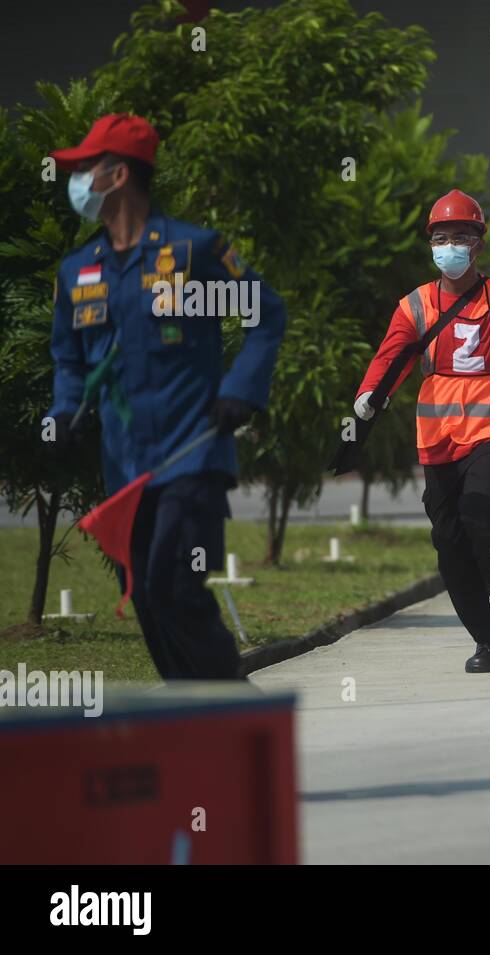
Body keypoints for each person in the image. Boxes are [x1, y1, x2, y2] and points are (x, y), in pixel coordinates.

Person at [47, 113, 286, 680]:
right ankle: (195, 722)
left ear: (119, 173)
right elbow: (69, 359)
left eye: (86, 167)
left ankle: (233, 715)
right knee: (149, 599)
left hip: (192, 455)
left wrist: (239, 391)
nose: (77, 179)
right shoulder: (80, 269)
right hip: (124, 470)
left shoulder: (192, 250)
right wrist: (64, 412)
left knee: (174, 584)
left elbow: (265, 312)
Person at [353, 189, 490, 673]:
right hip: (439, 435)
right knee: (448, 542)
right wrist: (368, 394)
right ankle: (488, 641)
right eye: (441, 238)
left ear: (478, 245)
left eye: (460, 237)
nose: (450, 246)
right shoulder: (416, 305)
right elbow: (392, 358)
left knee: (481, 509)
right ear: (431, 245)